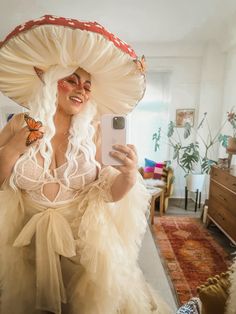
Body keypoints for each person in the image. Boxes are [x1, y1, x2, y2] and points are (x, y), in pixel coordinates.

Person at [0, 15, 171, 314]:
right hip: (25, 242)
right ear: (51, 80)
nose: (82, 90)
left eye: (88, 86)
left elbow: (110, 193)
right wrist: (13, 148)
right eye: (72, 80)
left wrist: (130, 174)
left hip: (84, 244)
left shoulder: (96, 130)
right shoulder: (18, 124)